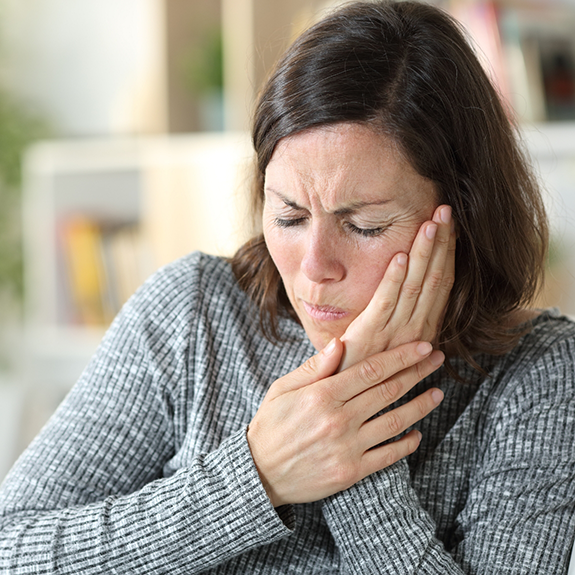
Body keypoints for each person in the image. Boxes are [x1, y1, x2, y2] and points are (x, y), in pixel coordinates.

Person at [1, 1, 574, 572]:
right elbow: (11, 547)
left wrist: (352, 443)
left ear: (464, 217)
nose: (314, 266)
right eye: (290, 217)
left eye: (364, 225)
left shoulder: (537, 373)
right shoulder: (192, 313)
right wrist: (255, 477)